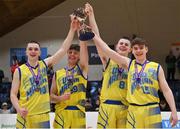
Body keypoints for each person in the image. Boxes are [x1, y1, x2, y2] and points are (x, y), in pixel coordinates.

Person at [91, 35, 178, 128]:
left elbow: (166, 90)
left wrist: (174, 111)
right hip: (133, 111)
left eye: (141, 48)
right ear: (132, 50)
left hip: (152, 109)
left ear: (146, 49)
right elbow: (107, 50)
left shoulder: (156, 67)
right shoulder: (128, 64)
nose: (138, 50)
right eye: (136, 48)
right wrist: (93, 35)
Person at [10, 16, 80, 128]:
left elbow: (62, 50)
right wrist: (18, 108)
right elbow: (13, 94)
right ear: (26, 52)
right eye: (30, 49)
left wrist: (72, 30)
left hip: (42, 115)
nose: (33, 51)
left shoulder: (44, 64)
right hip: (24, 114)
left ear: (39, 52)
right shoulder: (19, 70)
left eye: (36, 49)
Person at [85, 3, 130, 128]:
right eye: (121, 43)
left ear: (130, 50)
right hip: (107, 107)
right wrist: (91, 15)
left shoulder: (132, 65)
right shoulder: (108, 60)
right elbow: (97, 38)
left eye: (126, 44)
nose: (123, 45)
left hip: (125, 107)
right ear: (116, 46)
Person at [50, 43, 89, 127]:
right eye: (70, 52)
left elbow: (85, 55)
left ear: (79, 56)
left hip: (78, 112)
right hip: (61, 113)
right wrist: (60, 98)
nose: (72, 54)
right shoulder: (57, 73)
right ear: (67, 53)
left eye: (75, 53)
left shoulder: (82, 69)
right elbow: (51, 97)